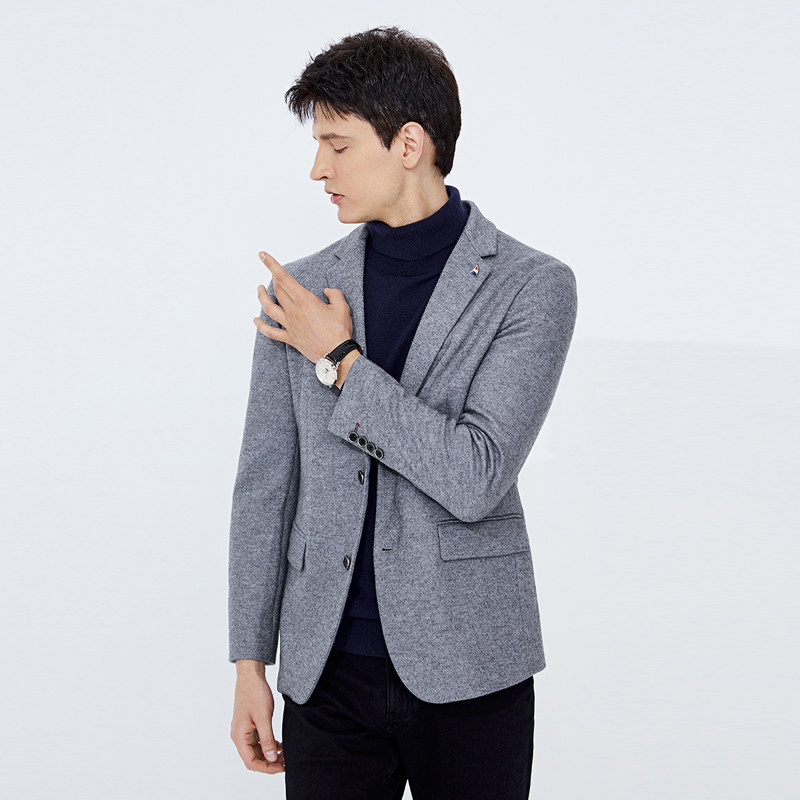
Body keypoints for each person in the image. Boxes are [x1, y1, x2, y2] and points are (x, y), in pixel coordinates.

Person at [228, 25, 577, 800]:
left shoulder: (531, 287)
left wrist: (341, 361)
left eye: (338, 145)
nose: (318, 169)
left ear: (409, 144)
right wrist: (250, 663)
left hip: (472, 667)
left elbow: (476, 475)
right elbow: (264, 489)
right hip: (324, 673)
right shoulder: (301, 291)